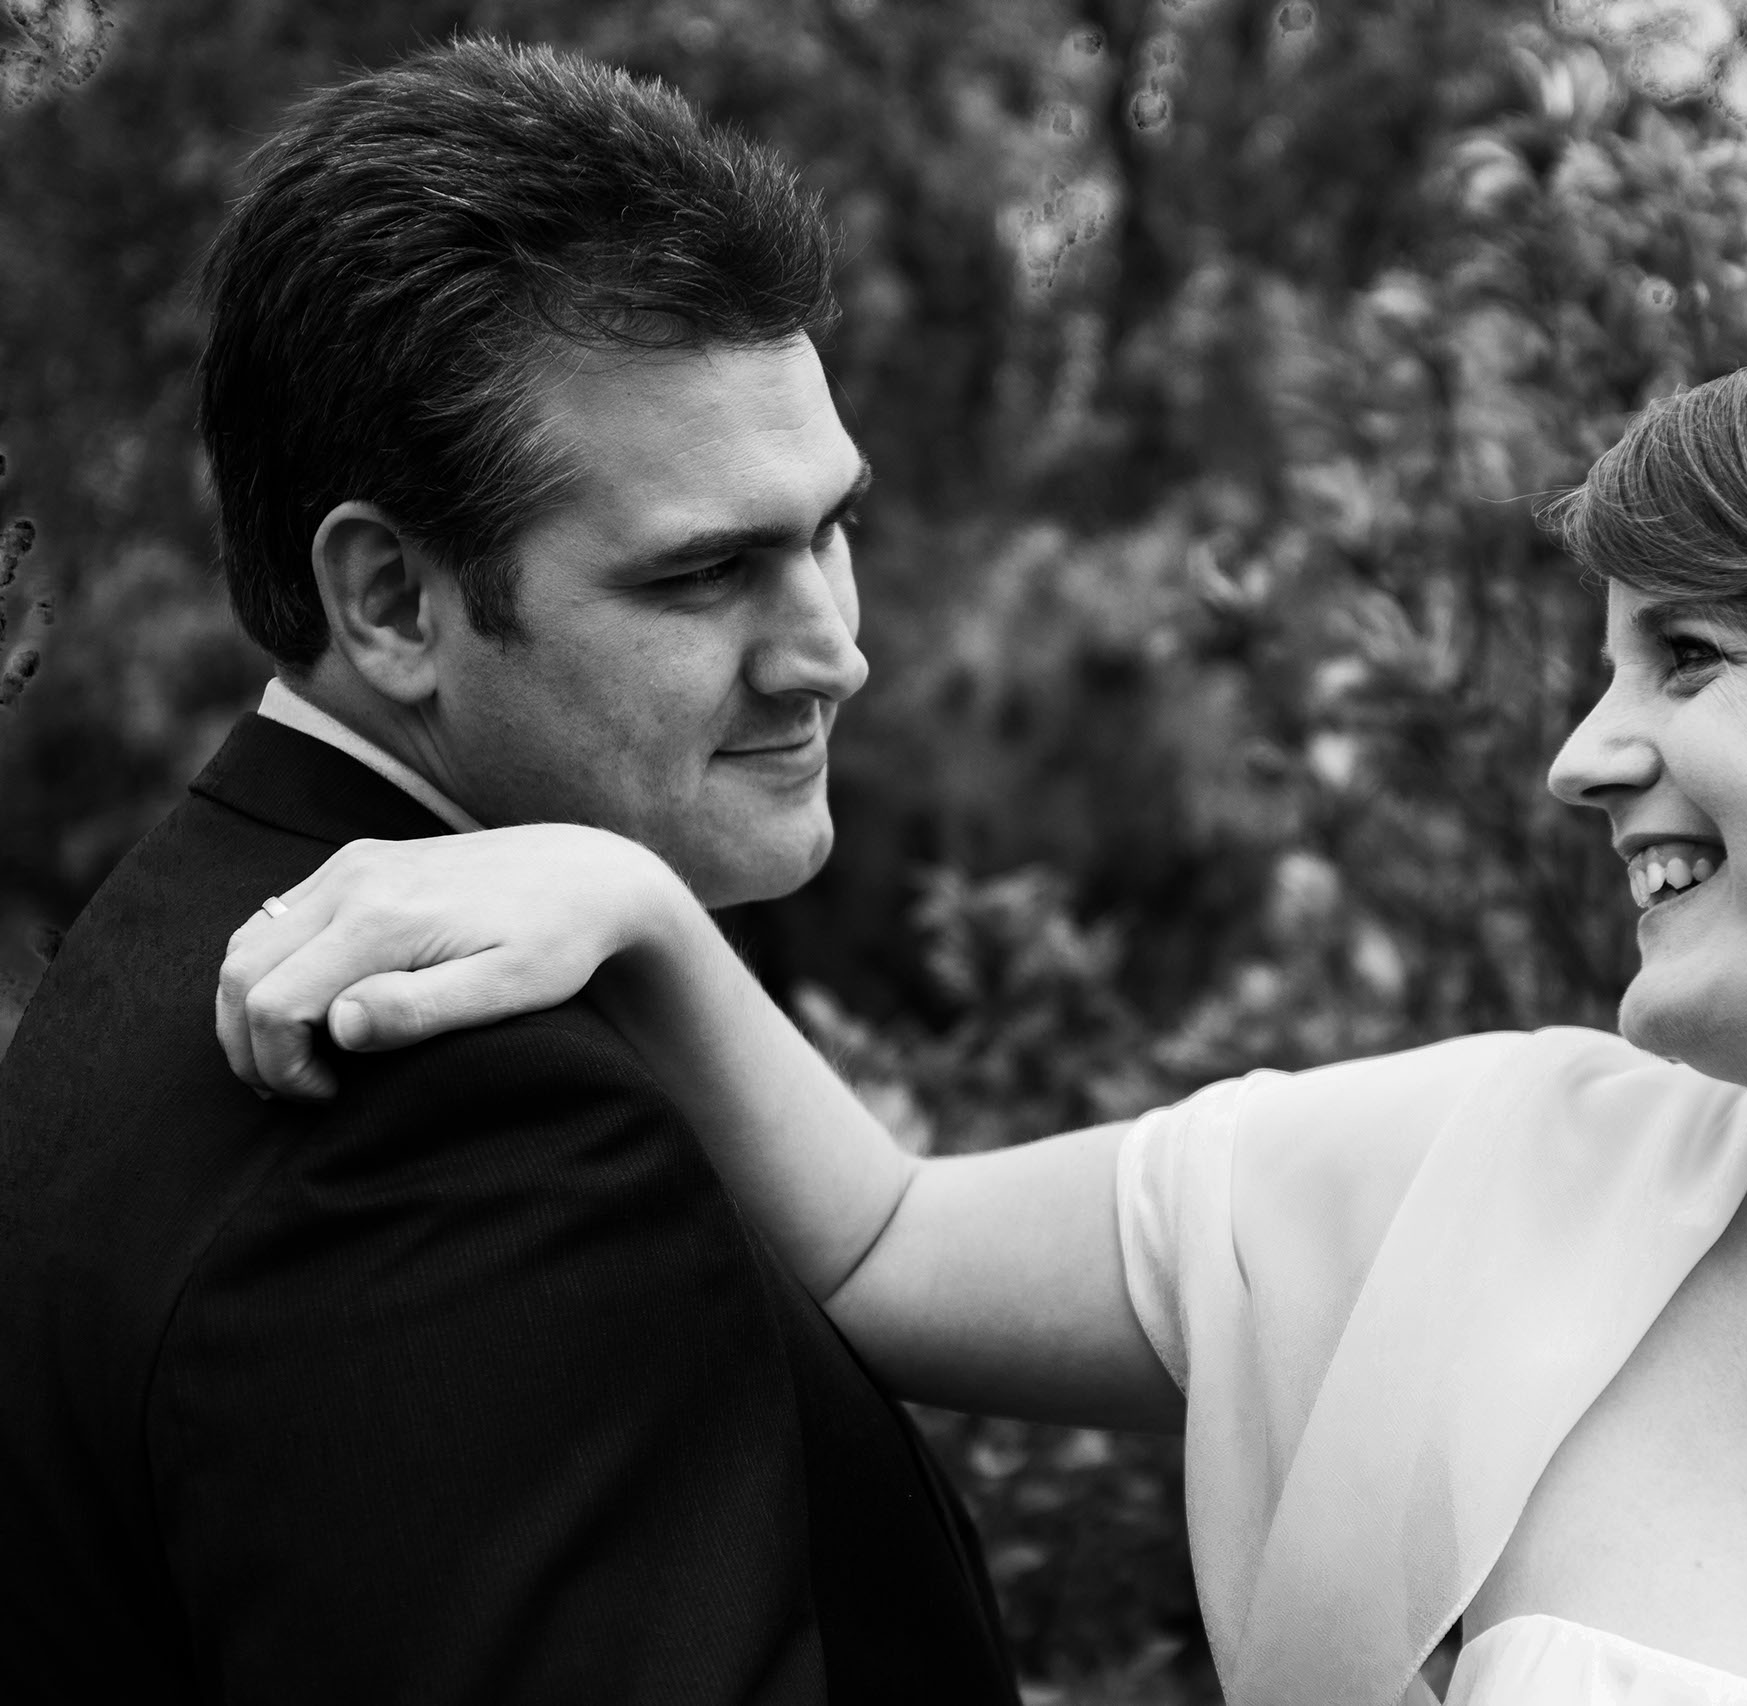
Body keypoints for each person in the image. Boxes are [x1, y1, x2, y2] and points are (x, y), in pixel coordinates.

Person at [219, 329, 1747, 1706]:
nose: (1579, 756)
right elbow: (880, 1244)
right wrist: (629, 907)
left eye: (1687, 660)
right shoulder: (1458, 1176)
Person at [0, 41, 1019, 1705]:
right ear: (393, 602)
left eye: (831, 528)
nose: (833, 650)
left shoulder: (175, 924)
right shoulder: (458, 1142)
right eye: (707, 572)